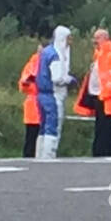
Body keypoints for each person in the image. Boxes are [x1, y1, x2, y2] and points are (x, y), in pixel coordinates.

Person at [74, 29, 111, 157]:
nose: (95, 41)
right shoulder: (98, 56)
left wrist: (104, 95)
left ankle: (102, 152)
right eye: (94, 38)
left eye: (97, 38)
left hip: (106, 97)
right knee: (104, 127)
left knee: (105, 127)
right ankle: (107, 152)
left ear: (105, 38)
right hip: (98, 95)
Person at [35, 26, 77, 159]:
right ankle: (49, 154)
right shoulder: (56, 55)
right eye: (68, 39)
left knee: (43, 126)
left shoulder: (46, 52)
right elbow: (57, 78)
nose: (70, 42)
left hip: (41, 94)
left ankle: (39, 154)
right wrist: (70, 80)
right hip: (53, 94)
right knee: (53, 126)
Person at [18, 37, 46, 158]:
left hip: (44, 101)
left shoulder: (50, 63)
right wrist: (28, 82)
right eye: (39, 51)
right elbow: (22, 83)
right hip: (33, 103)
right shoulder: (31, 64)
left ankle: (43, 154)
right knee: (31, 134)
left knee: (44, 133)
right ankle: (28, 156)